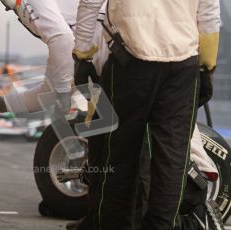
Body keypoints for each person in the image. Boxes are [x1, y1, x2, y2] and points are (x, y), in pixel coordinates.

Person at [72, 0, 221, 229]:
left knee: (120, 156)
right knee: (172, 157)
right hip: (182, 64)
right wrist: (207, 65)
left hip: (130, 60)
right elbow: (209, 9)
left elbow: (90, 3)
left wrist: (82, 54)